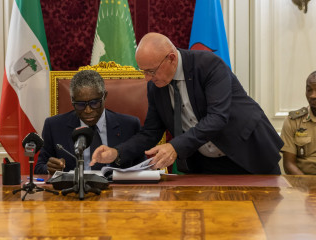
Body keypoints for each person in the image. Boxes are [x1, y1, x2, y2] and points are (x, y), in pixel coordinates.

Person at [90, 32, 283, 174]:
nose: (147, 78)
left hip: (247, 152)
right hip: (206, 164)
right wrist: (117, 152)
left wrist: (175, 146)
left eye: (151, 71)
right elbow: (151, 132)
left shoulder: (209, 65)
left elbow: (217, 118)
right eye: (143, 71)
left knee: (259, 223)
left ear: (171, 59)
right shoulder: (156, 86)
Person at [34, 70, 143, 175]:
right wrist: (50, 168)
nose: (88, 110)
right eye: (80, 104)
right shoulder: (54, 126)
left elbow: (142, 167)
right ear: (72, 100)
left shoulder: (129, 125)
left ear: (105, 96)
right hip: (73, 191)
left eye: (94, 103)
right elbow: (40, 167)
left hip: (117, 191)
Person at [280, 71, 316, 175]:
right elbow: (289, 164)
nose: (313, 95)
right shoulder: (293, 121)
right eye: (309, 90)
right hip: (303, 185)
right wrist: (308, 187)